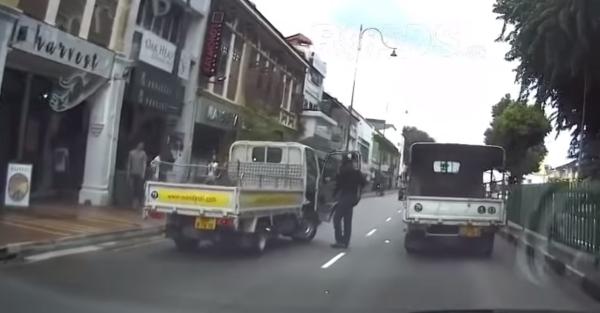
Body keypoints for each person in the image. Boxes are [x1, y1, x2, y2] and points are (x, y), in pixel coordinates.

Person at [331, 155, 366, 249]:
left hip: (345, 196)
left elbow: (338, 185)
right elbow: (363, 182)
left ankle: (339, 240)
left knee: (337, 218)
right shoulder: (356, 171)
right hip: (353, 197)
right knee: (347, 220)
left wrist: (333, 195)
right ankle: (346, 241)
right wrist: (358, 190)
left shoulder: (342, 170)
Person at [127, 142, 148, 209]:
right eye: (140, 145)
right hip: (133, 173)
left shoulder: (143, 154)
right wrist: (128, 172)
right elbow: (129, 163)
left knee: (139, 188)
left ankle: (137, 202)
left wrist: (143, 173)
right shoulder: (131, 153)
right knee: (132, 188)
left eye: (142, 145)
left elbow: (144, 164)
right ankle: (132, 202)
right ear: (137, 145)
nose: (141, 146)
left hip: (139, 174)